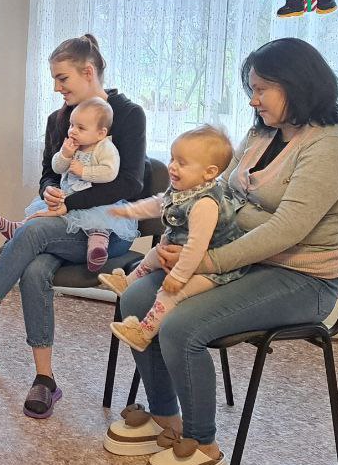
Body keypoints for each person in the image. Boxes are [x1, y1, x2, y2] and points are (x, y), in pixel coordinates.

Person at [103, 38, 338, 465]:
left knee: (182, 325)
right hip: (241, 260)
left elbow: (285, 231)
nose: (253, 98)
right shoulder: (262, 134)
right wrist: (183, 247)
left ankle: (203, 447)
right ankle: (165, 416)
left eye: (262, 88)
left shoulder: (331, 148)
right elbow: (216, 199)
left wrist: (205, 255)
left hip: (301, 277)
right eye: (252, 87)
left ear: (297, 85)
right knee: (137, 296)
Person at [0, 35, 146, 418]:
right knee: (34, 267)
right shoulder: (59, 121)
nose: (57, 88)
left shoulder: (127, 116)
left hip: (103, 233)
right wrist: (51, 194)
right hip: (58, 221)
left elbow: (130, 183)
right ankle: (45, 379)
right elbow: (48, 175)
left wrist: (69, 202)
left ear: (88, 71)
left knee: (33, 232)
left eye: (63, 79)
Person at [100, 125, 244, 350]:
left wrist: (178, 277)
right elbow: (158, 203)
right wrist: (128, 210)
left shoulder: (205, 204)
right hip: (185, 255)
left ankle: (143, 333)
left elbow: (196, 248)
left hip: (213, 271)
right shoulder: (184, 189)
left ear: (209, 172)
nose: (172, 167)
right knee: (156, 253)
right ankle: (127, 282)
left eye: (182, 163)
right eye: (172, 159)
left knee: (169, 293)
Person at [0, 96, 136, 272]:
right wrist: (65, 155)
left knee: (98, 227)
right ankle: (20, 227)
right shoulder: (72, 145)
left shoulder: (105, 148)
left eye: (81, 128)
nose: (73, 131)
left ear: (101, 133)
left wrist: (85, 171)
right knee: (44, 210)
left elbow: (110, 172)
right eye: (72, 125)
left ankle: (96, 250)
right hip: (68, 196)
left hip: (93, 201)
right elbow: (57, 168)